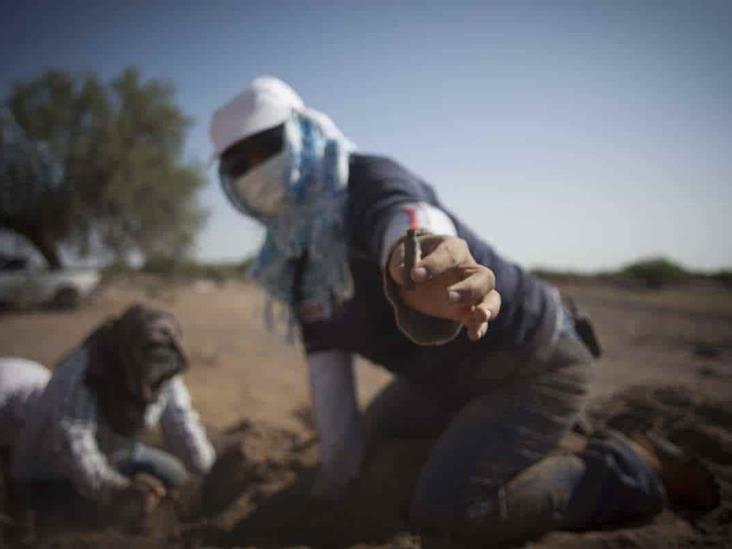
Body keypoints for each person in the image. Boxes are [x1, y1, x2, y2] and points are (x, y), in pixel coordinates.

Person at [208, 77, 718, 545]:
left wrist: (418, 258)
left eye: (267, 147)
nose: (255, 171)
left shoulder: (366, 181)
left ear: (305, 133)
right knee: (370, 441)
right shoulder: (296, 262)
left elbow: (407, 219)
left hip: (534, 360)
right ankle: (523, 442)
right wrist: (333, 486)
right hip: (446, 380)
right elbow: (328, 376)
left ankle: (628, 468)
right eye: (237, 163)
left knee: (450, 513)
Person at [2, 304, 215, 525]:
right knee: (110, 521)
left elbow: (181, 422)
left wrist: (207, 471)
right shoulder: (82, 373)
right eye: (149, 367)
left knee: (179, 479)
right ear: (131, 352)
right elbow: (74, 444)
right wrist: (117, 489)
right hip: (52, 472)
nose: (153, 377)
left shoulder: (164, 368)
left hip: (120, 454)